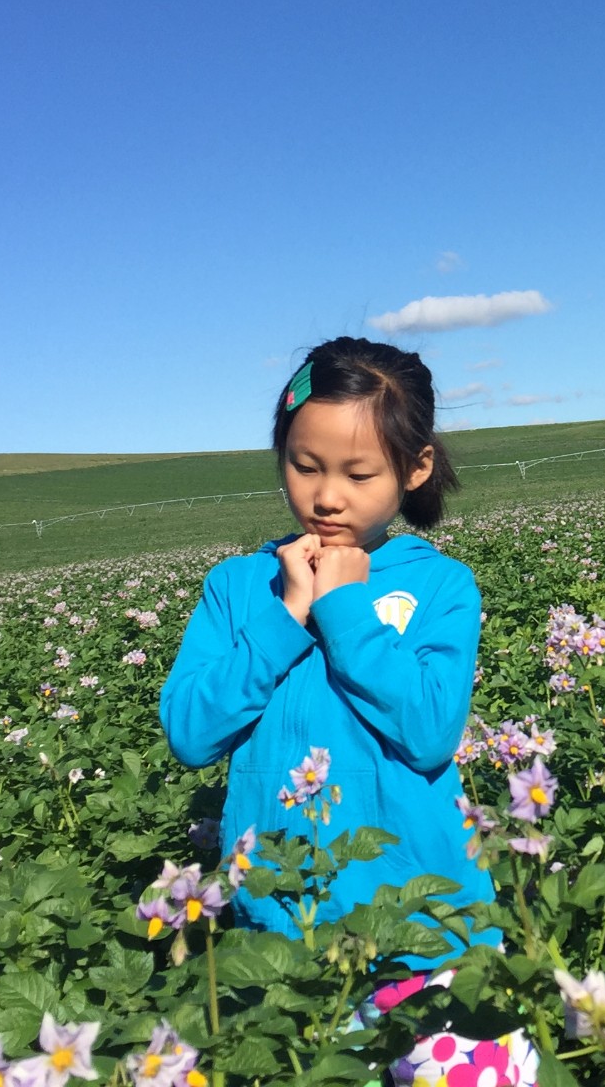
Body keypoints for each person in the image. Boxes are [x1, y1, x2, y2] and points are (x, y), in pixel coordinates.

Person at [159, 334, 498, 954]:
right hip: (279, 923)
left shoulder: (441, 584)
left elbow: (429, 733)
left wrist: (342, 607)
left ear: (415, 468)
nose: (326, 497)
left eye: (358, 473)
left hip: (426, 925)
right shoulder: (238, 586)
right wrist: (286, 615)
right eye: (304, 465)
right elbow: (190, 733)